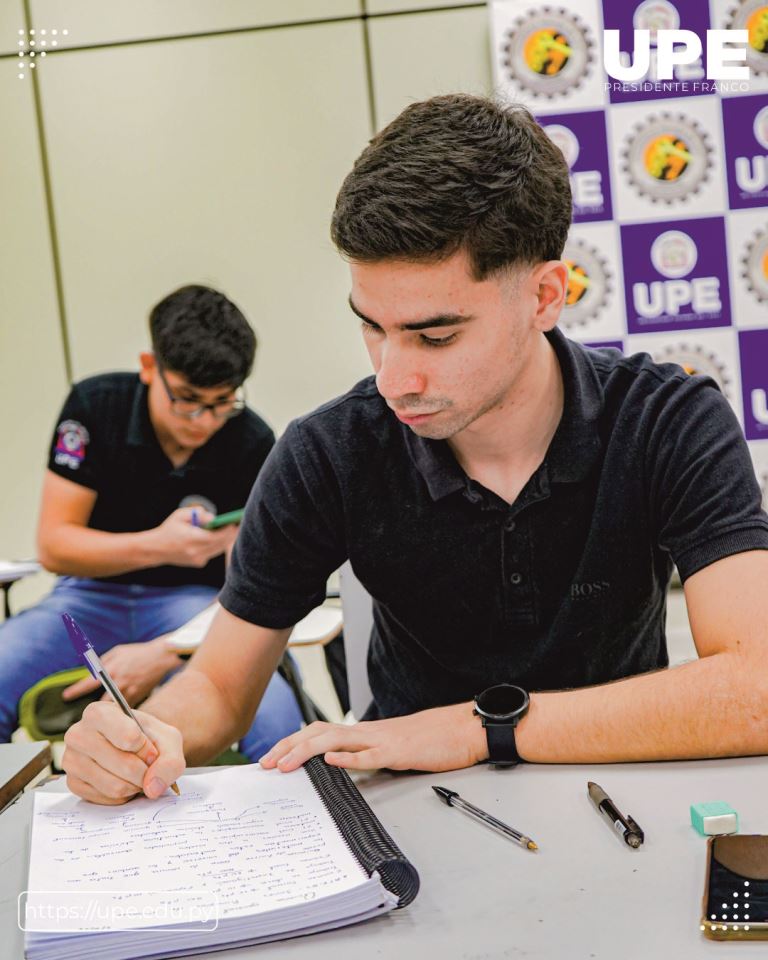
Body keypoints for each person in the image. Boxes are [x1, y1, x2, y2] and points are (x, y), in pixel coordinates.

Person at [63, 96, 768, 806]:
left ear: (546, 296)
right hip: (409, 814)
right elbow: (218, 685)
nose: (394, 378)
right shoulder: (328, 453)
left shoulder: (666, 421)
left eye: (436, 337)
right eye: (373, 326)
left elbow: (757, 686)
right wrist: (149, 735)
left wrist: (478, 729)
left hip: (621, 795)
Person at [0, 284, 302, 758]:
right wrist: (163, 545)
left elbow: (249, 593)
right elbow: (55, 546)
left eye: (223, 402)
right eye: (186, 398)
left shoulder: (251, 439)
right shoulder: (95, 407)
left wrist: (169, 649)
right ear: (149, 367)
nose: (204, 420)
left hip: (195, 608)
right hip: (88, 598)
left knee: (275, 712)